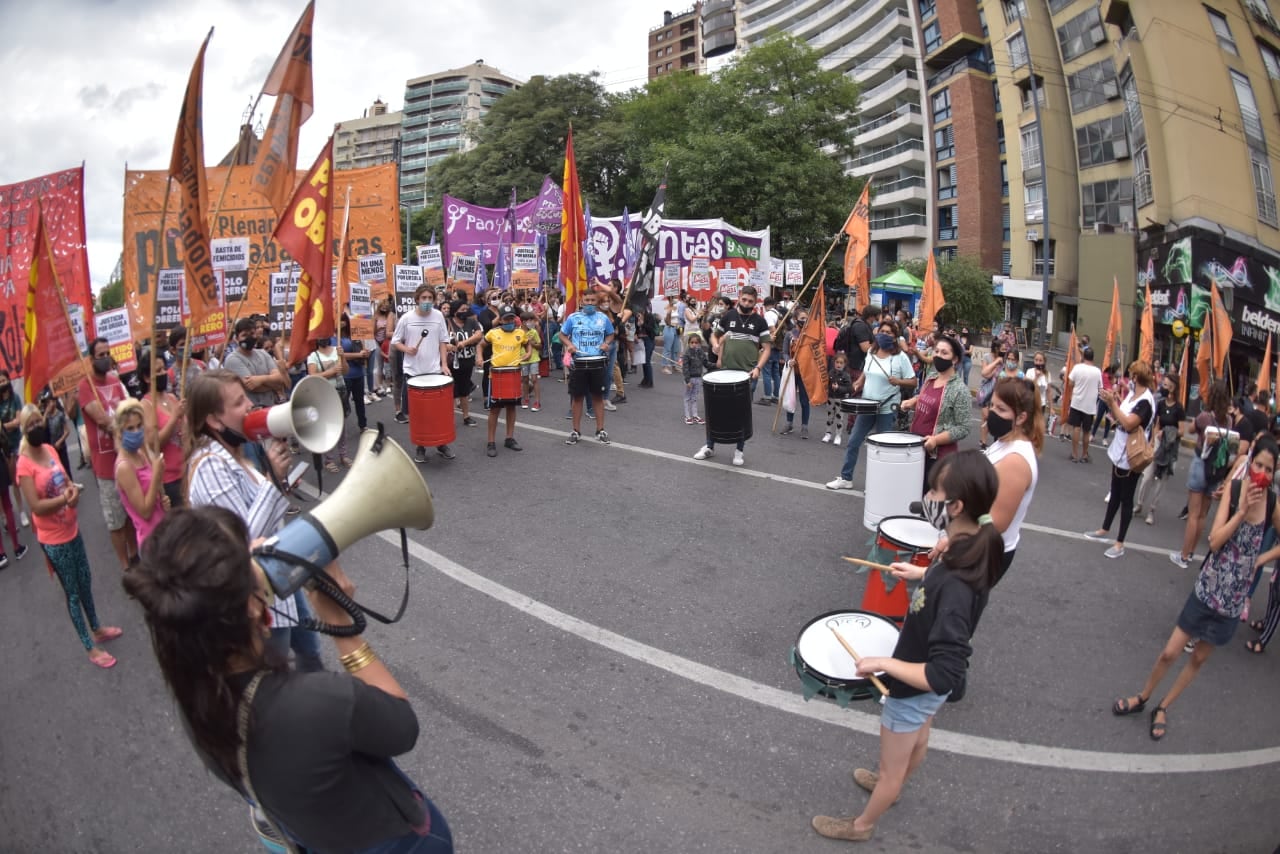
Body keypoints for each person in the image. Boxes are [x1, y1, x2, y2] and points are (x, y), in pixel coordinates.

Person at [124, 508, 453, 853]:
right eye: (246, 549)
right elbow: (402, 727)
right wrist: (339, 623)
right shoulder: (319, 701)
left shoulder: (197, 701)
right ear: (254, 607)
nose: (257, 546)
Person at [811, 450, 1001, 843]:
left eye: (934, 491)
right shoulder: (971, 545)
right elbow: (946, 587)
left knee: (894, 761)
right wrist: (921, 572)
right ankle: (890, 783)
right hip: (924, 689)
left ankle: (862, 824)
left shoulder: (956, 584)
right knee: (920, 738)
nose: (928, 497)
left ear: (958, 505)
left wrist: (884, 663)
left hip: (914, 685)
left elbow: (943, 672)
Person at [1114, 435, 1280, 740]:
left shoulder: (1272, 503)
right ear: (1250, 462)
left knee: (1199, 659)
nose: (1262, 473)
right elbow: (1215, 541)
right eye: (1258, 464)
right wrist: (1242, 511)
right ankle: (1144, 696)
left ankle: (1163, 706)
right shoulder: (1237, 489)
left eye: (1269, 469)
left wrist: (1261, 560)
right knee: (1170, 652)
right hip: (1209, 588)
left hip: (1233, 601)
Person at [185, 370, 323, 676]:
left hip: (277, 580)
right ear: (214, 420)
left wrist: (277, 478)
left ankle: (316, 702)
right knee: (276, 673)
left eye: (246, 397)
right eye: (238, 402)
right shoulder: (210, 467)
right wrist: (273, 480)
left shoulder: (237, 453)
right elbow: (243, 539)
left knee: (311, 652)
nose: (249, 405)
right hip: (256, 597)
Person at [16, 404, 119, 668]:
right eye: (30, 426)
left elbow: (65, 479)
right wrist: (65, 498)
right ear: (23, 431)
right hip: (53, 538)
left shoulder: (50, 449)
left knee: (85, 580)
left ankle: (96, 627)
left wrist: (72, 491)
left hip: (73, 528)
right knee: (72, 592)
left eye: (38, 421)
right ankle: (89, 647)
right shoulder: (23, 465)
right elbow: (36, 506)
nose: (36, 427)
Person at [824, 322, 917, 490]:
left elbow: (913, 381)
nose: (885, 334)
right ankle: (846, 478)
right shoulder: (871, 353)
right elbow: (865, 374)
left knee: (881, 449)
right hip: (867, 405)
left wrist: (898, 381)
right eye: (882, 331)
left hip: (887, 407)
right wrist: (857, 384)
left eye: (889, 332)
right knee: (853, 442)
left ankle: (878, 485)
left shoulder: (900, 357)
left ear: (895, 336)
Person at [1084, 360, 1156, 560]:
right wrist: (1113, 401)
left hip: (1132, 457)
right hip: (1120, 453)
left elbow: (1128, 422)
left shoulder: (1146, 401)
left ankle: (1120, 543)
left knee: (1126, 499)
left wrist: (1112, 403)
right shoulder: (1134, 395)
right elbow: (1121, 415)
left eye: (1131, 376)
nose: (1128, 380)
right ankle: (1104, 529)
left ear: (1135, 378)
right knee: (1115, 492)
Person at [695, 286, 771, 466]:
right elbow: (715, 336)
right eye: (744, 300)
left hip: (747, 375)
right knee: (715, 411)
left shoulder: (760, 322)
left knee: (741, 414)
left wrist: (758, 368)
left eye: (750, 301)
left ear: (755, 302)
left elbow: (767, 348)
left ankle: (739, 450)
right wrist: (715, 345)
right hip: (725, 373)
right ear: (739, 298)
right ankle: (709, 446)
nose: (746, 304)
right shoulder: (728, 316)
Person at [79, 338, 138, 570]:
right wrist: (125, 429)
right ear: (91, 359)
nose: (105, 358)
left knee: (132, 512)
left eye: (107, 353)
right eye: (100, 355)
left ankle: (135, 556)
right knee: (116, 521)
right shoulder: (85, 387)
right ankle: (125, 565)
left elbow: (128, 413)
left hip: (125, 458)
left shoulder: (115, 381)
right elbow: (103, 420)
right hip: (105, 466)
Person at [1171, 381, 1235, 569]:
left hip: (1200, 464)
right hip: (1216, 469)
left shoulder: (1205, 416)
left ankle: (1183, 556)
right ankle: (1190, 554)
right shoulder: (1230, 421)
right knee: (1202, 516)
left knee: (1193, 513)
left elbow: (1191, 430)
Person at [392, 285, 454, 464]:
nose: (427, 301)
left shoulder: (438, 316)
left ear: (434, 299)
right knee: (418, 414)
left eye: (430, 298)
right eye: (423, 298)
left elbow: (443, 341)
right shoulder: (406, 318)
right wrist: (407, 349)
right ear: (417, 299)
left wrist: (443, 364)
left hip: (434, 371)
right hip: (413, 373)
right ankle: (421, 446)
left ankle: (441, 444)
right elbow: (396, 341)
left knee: (437, 413)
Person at [902, 334, 971, 489]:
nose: (939, 356)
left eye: (944, 353)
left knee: (929, 503)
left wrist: (936, 440)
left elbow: (964, 428)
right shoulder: (931, 377)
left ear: (955, 360)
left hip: (938, 457)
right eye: (937, 351)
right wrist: (913, 402)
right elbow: (925, 397)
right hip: (917, 449)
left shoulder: (960, 390)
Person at [223, 318, 293, 469]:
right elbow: (251, 387)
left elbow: (280, 381)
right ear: (236, 338)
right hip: (251, 421)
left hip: (271, 416)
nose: (249, 337)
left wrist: (261, 379)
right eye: (244, 335)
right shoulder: (233, 360)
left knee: (279, 461)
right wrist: (270, 382)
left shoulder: (262, 353)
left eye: (252, 333)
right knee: (260, 465)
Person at [560, 289, 615, 445]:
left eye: (592, 300)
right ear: (581, 301)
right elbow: (562, 334)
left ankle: (600, 430)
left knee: (598, 397)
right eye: (587, 300)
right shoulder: (573, 318)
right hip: (579, 363)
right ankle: (576, 431)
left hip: (597, 362)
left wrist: (606, 343)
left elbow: (611, 334)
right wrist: (569, 345)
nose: (590, 303)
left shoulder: (603, 318)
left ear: (596, 302)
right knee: (577, 397)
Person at [112, 398, 168, 549]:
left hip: (162, 531)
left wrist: (162, 502)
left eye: (139, 426)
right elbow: (144, 512)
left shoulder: (140, 454)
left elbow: (151, 492)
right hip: (151, 541)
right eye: (130, 428)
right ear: (119, 432)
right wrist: (156, 475)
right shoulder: (124, 467)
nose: (136, 432)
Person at [1135, 373, 1184, 526]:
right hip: (1157, 443)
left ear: (1173, 388)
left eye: (1167, 385)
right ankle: (1139, 504)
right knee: (1147, 476)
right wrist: (1154, 439)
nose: (1164, 387)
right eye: (1164, 384)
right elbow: (1156, 423)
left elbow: (1182, 430)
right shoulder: (1161, 404)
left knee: (1162, 481)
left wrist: (1169, 431)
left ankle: (1152, 509)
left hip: (1169, 447)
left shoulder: (1179, 408)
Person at [139, 351, 187, 509]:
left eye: (163, 369)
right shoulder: (145, 406)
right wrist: (174, 418)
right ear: (147, 378)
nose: (163, 373)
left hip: (186, 469)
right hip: (169, 478)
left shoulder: (172, 398)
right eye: (157, 371)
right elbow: (154, 443)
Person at [484, 305, 531, 457]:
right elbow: (480, 345)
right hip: (497, 375)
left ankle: (509, 438)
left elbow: (528, 344)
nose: (510, 321)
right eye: (506, 319)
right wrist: (478, 357)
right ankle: (491, 442)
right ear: (501, 320)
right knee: (495, 410)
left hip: (513, 374)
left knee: (511, 408)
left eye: (512, 318)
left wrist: (528, 353)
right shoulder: (493, 333)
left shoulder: (520, 333)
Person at [307, 336, 351, 473]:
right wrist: (330, 372)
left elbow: (345, 371)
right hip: (325, 394)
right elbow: (312, 376)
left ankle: (343, 455)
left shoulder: (336, 351)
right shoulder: (313, 356)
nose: (323, 338)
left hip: (340, 393)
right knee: (328, 427)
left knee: (342, 426)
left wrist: (342, 357)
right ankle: (329, 460)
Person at [780, 306, 815, 438]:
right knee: (791, 398)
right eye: (802, 318)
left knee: (805, 401)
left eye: (806, 318)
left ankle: (804, 427)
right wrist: (789, 361)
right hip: (792, 373)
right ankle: (789, 423)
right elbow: (784, 352)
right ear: (795, 320)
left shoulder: (811, 336)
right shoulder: (789, 335)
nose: (804, 321)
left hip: (805, 373)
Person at [446, 303, 483, 427]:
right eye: (462, 310)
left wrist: (464, 343)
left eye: (467, 309)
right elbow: (439, 340)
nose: (465, 312)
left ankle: (466, 416)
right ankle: (449, 418)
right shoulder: (447, 322)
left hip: (467, 361)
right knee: (450, 390)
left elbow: (478, 335)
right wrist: (448, 346)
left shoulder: (471, 322)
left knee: (464, 390)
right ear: (455, 311)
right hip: (451, 363)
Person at [0, 370, 28, 529]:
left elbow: (18, 421)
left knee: (21, 477)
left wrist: (4, 426)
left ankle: (22, 510)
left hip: (18, 443)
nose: (2, 384)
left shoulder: (15, 398)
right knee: (6, 483)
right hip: (4, 448)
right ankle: (5, 515)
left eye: (4, 380)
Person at [1066, 346, 1103, 464]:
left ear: (1083, 356)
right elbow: (1100, 388)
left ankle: (1074, 454)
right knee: (1086, 431)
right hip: (1090, 405)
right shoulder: (1097, 371)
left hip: (1077, 402)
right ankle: (1084, 454)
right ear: (1093, 357)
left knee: (1076, 428)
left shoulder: (1077, 368)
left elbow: (1070, 383)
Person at [339, 316, 370, 434]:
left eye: (343, 320)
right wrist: (358, 355)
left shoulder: (354, 335)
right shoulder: (334, 338)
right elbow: (339, 355)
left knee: (359, 401)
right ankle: (340, 428)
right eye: (339, 321)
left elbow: (362, 352)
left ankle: (363, 424)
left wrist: (365, 353)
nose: (342, 323)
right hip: (344, 375)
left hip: (358, 373)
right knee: (343, 404)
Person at [821, 353, 855, 445]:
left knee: (840, 418)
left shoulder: (846, 375)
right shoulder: (831, 372)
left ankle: (838, 435)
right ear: (834, 362)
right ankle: (828, 433)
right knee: (829, 417)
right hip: (831, 398)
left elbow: (850, 388)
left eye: (841, 363)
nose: (839, 365)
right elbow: (827, 384)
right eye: (837, 362)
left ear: (844, 364)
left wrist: (839, 388)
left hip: (840, 399)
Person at [682, 332, 709, 425]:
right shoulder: (687, 354)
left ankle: (695, 415)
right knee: (687, 397)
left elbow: (706, 363)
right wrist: (687, 380)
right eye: (692, 343)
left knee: (694, 397)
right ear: (689, 343)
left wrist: (716, 366)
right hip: (690, 379)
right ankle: (687, 416)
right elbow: (685, 368)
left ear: (699, 344)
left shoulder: (701, 352)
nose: (694, 344)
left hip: (698, 378)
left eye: (696, 343)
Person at [520, 311, 544, 408]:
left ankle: (537, 401)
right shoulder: (518, 332)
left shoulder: (534, 332)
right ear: (523, 322)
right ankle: (526, 399)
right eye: (529, 321)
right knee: (525, 379)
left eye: (532, 320)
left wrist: (532, 343)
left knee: (534, 379)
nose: (531, 323)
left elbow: (540, 345)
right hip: (523, 359)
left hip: (534, 358)